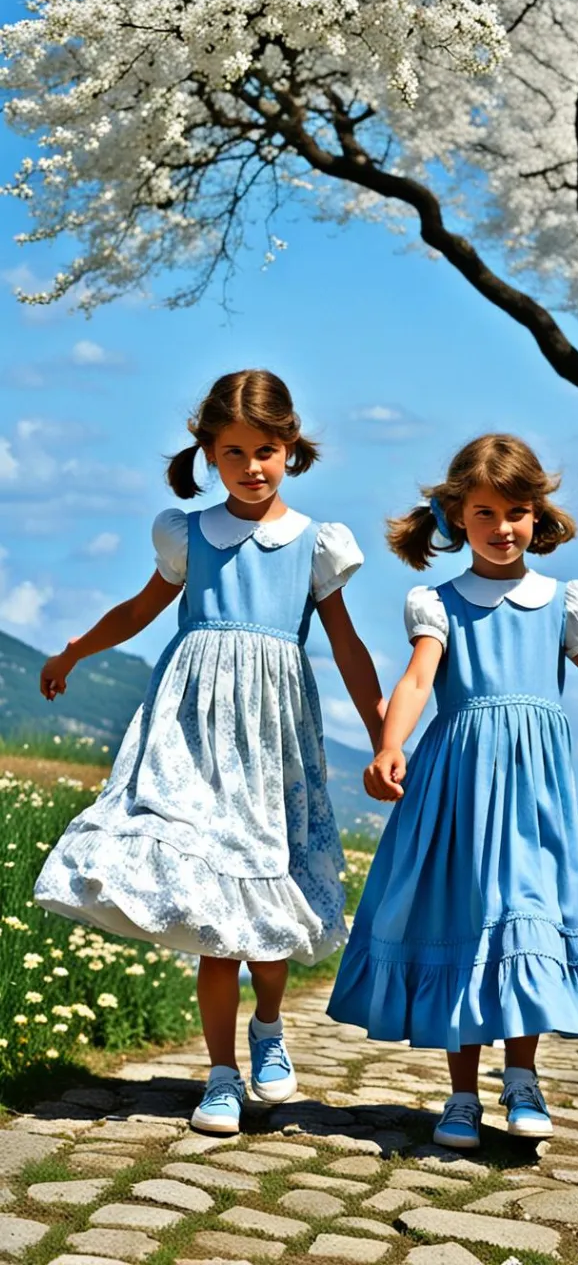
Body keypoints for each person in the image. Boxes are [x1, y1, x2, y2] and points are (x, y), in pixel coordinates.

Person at [328, 432, 578, 1150]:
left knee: (527, 919)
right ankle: (462, 1096)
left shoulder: (562, 602)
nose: (503, 528)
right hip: (458, 793)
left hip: (534, 799)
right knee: (468, 925)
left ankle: (523, 1078)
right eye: (485, 513)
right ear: (456, 517)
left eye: (518, 512)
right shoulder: (438, 604)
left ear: (539, 516)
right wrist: (389, 745)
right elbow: (414, 681)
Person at [36, 369, 383, 1135]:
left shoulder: (316, 545)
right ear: (209, 453)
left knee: (266, 897)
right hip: (190, 739)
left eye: (266, 450)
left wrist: (385, 731)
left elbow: (350, 646)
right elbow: (136, 609)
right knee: (214, 918)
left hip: (272, 747)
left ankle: (268, 1029)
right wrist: (74, 651)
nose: (252, 467)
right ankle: (220, 1074)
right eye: (234, 452)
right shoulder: (187, 534)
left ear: (291, 447)